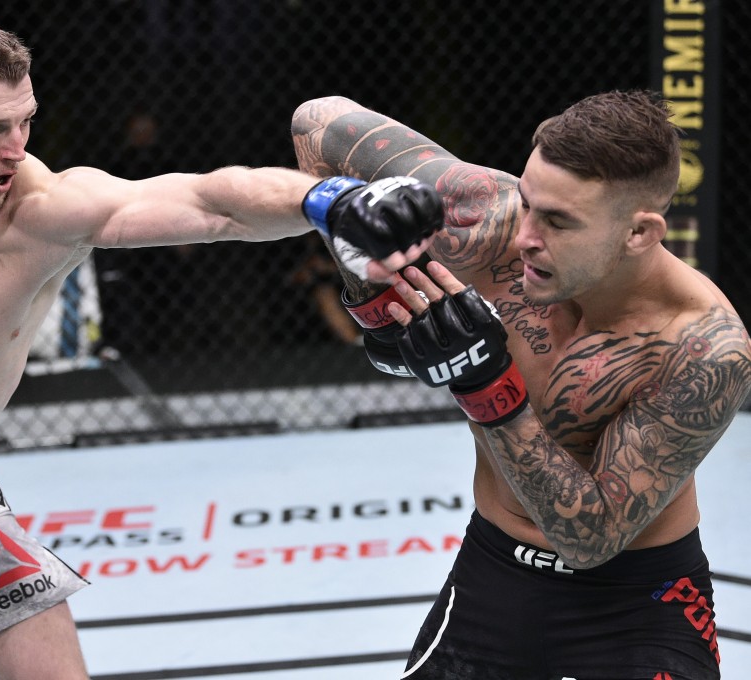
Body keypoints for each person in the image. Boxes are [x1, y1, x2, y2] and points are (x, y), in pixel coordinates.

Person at [0, 18, 443, 680]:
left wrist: (333, 201)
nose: (15, 149)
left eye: (24, 122)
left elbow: (211, 203)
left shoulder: (46, 212)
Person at [291, 91, 751, 679]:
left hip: (639, 602)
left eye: (558, 221)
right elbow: (318, 122)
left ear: (639, 233)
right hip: (496, 573)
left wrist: (486, 385)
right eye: (530, 202)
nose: (526, 235)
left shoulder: (703, 347)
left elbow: (591, 538)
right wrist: (374, 295)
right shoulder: (486, 217)